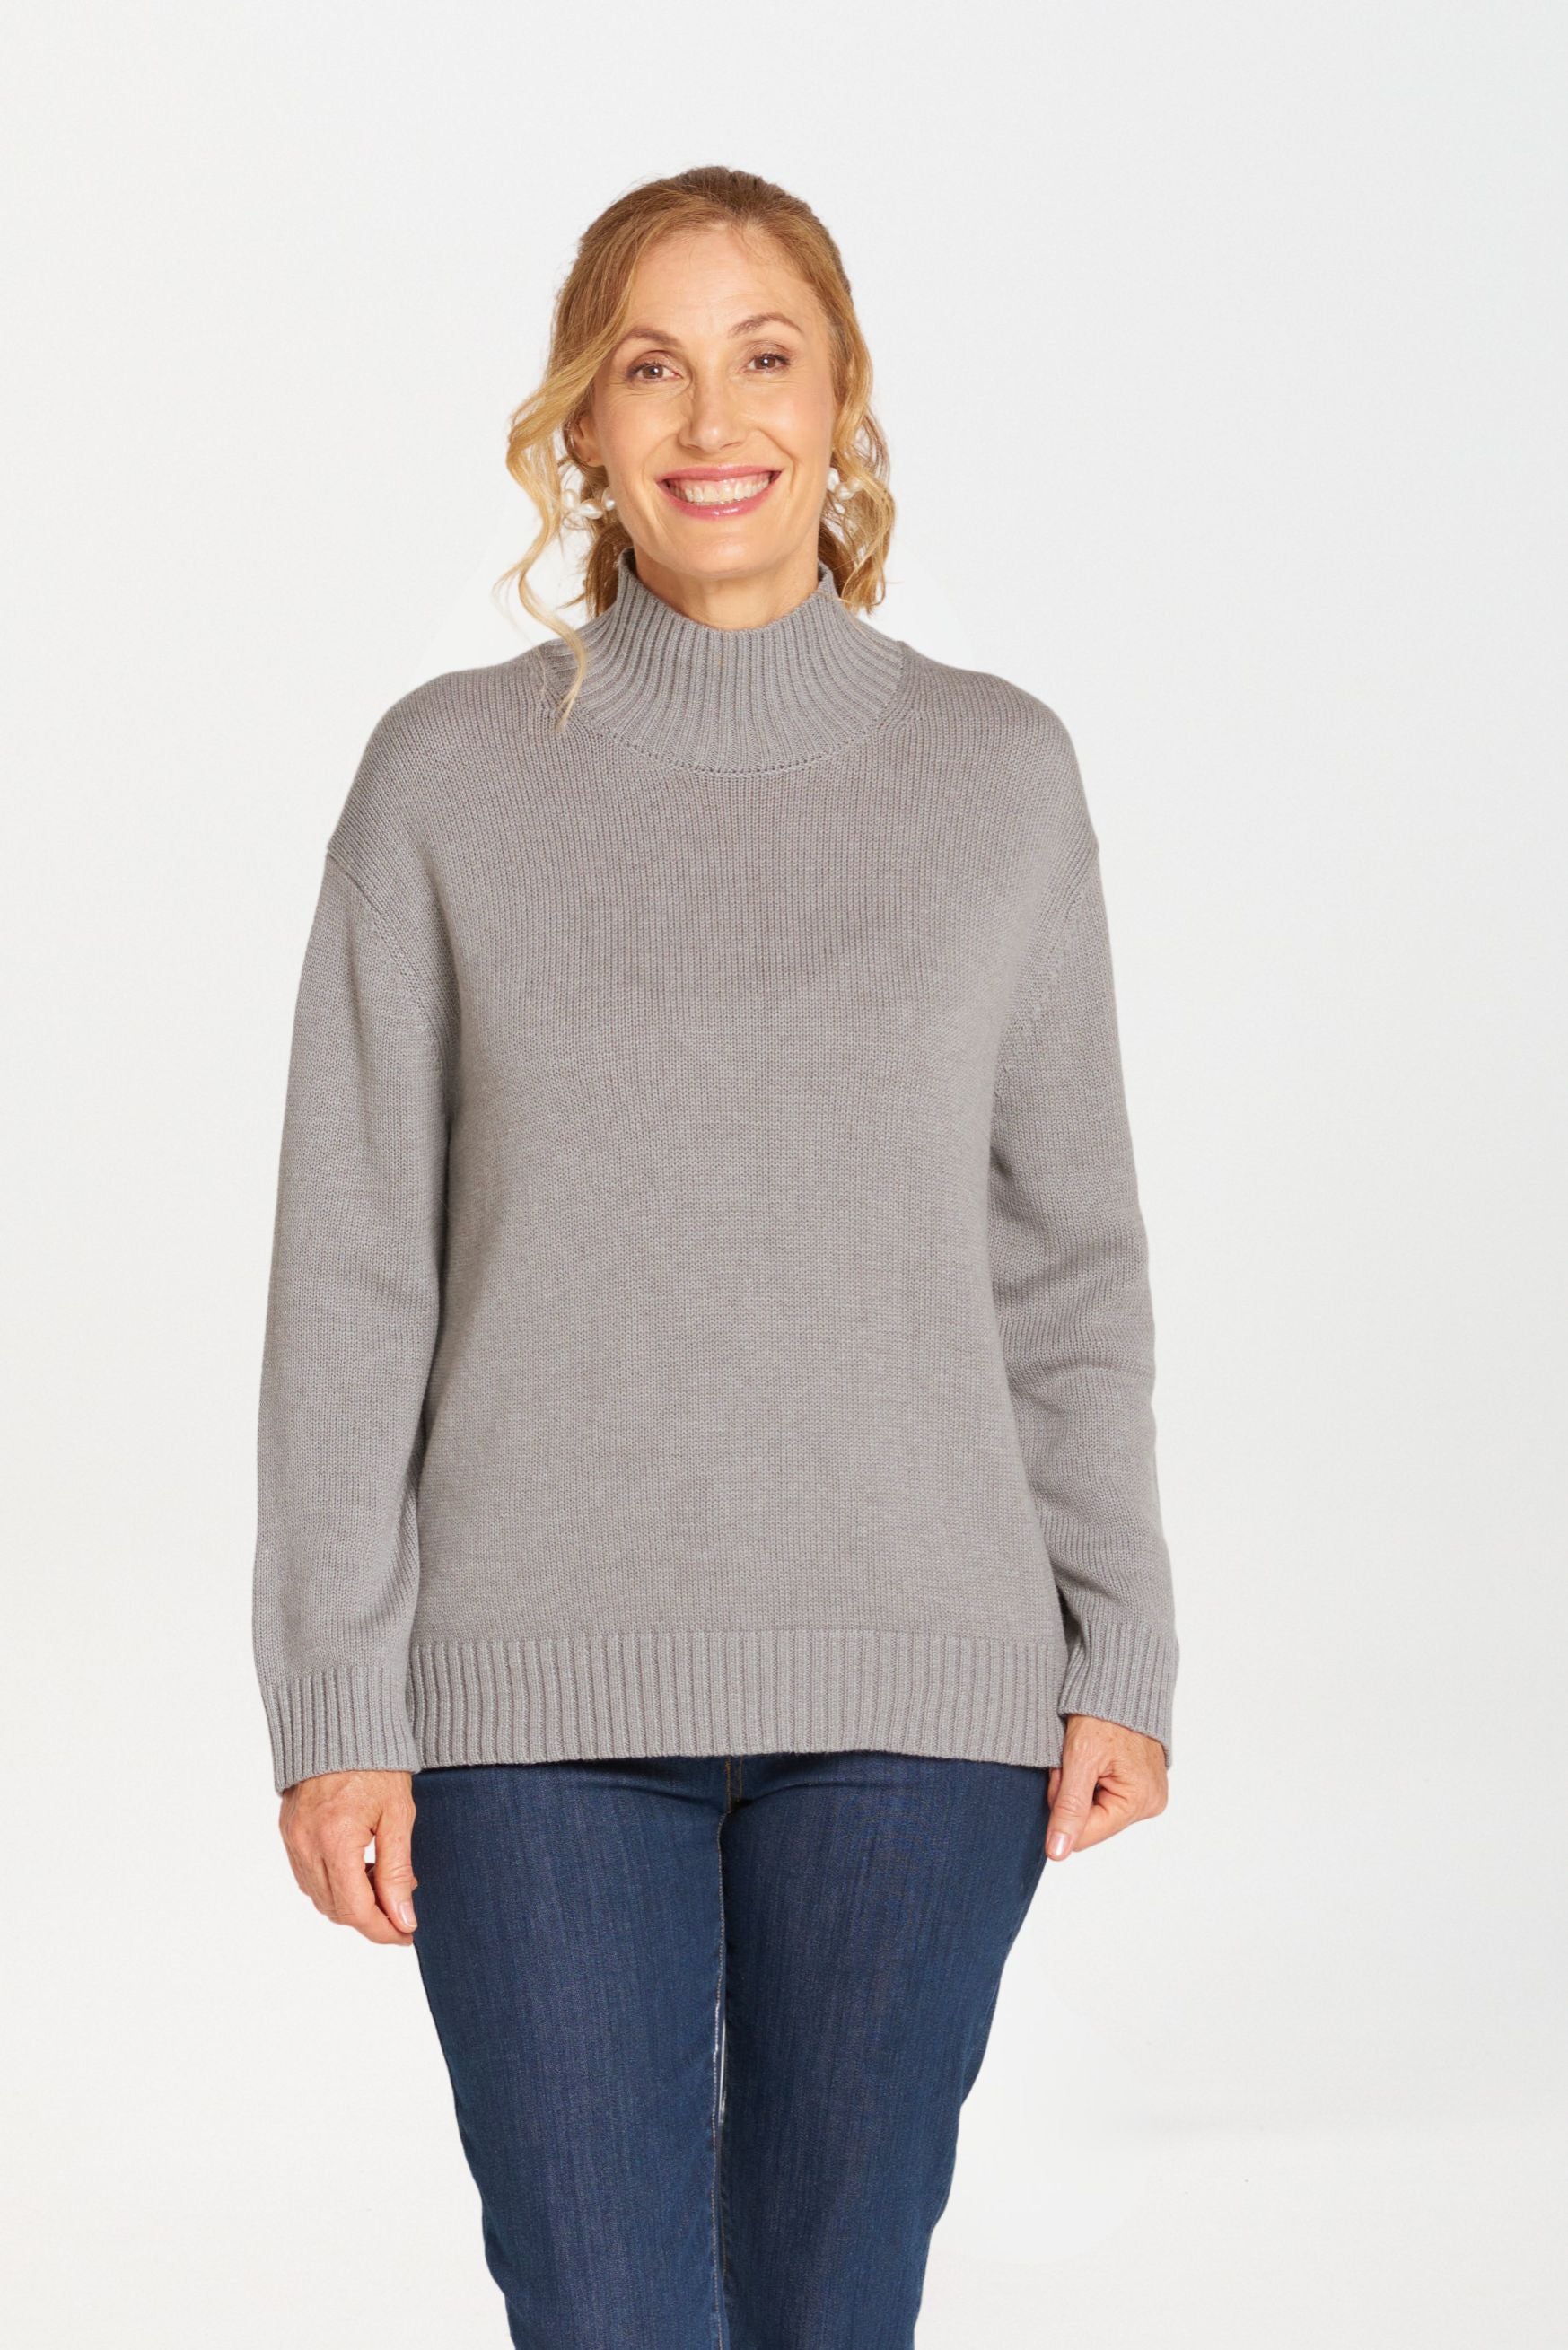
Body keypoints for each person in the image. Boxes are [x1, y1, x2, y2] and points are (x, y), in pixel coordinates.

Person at [251, 163, 1180, 2350]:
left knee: (831, 2311)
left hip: (919, 1701)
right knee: (602, 2316)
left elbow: (1066, 1252)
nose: (711, 416)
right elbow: (355, 1265)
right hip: (531, 1715)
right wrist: (334, 1701)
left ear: (841, 397)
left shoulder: (997, 775)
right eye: (649, 366)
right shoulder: (445, 781)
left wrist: (1120, 1641)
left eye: (765, 356)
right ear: (582, 422)